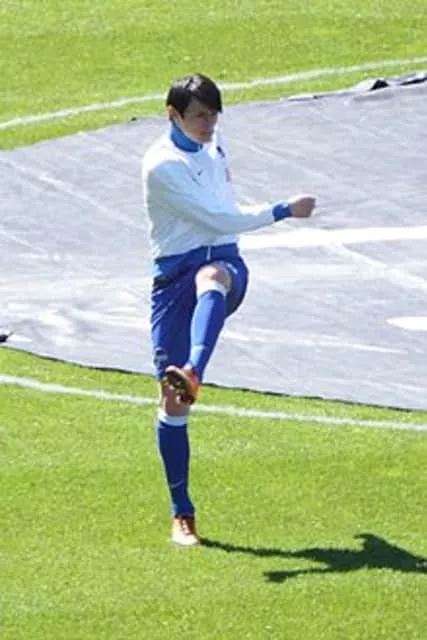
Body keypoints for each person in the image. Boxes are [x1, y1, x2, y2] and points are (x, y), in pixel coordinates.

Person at [142, 73, 315, 546]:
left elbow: (223, 225)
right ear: (173, 115)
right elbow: (217, 218)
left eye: (214, 116)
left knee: (213, 277)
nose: (209, 125)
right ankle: (182, 513)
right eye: (199, 116)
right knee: (172, 404)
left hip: (223, 265)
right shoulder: (162, 167)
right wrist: (282, 210)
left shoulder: (213, 146)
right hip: (173, 279)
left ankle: (194, 370)